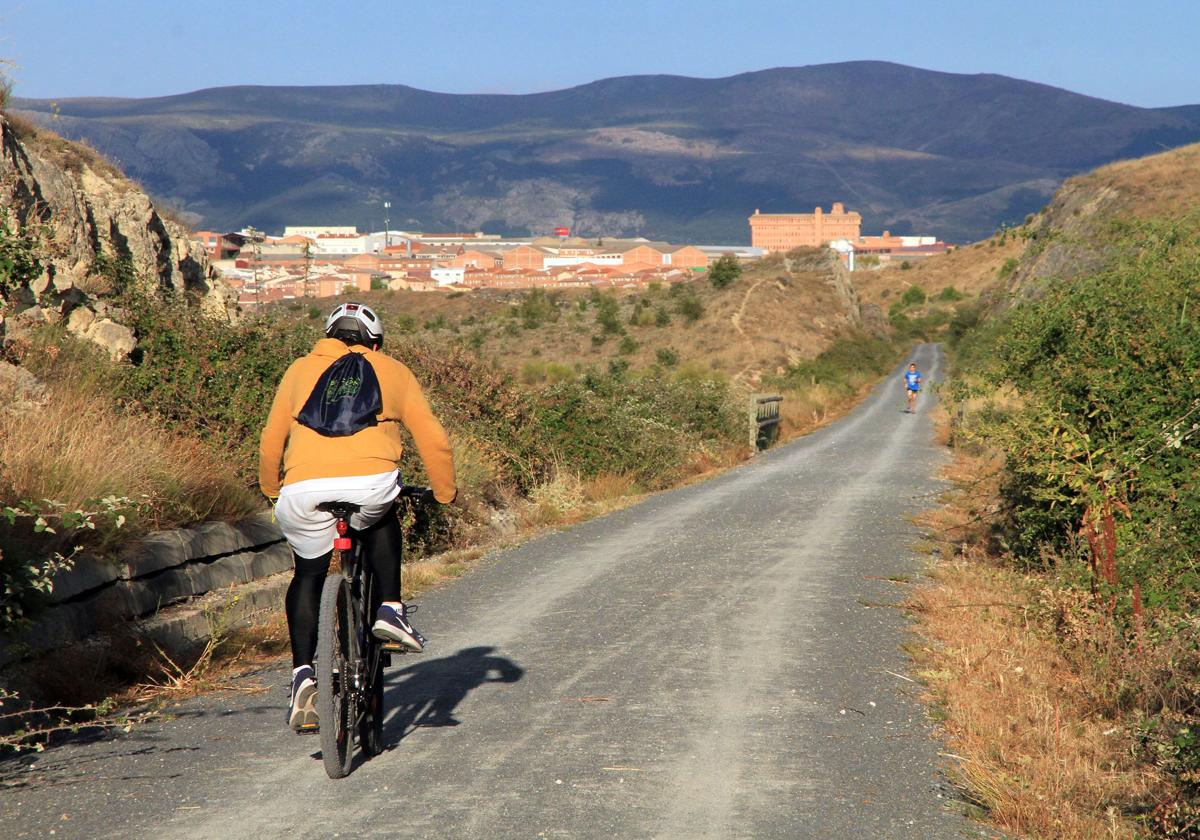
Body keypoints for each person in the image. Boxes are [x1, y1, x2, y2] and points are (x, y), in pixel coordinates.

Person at [259, 302, 457, 732]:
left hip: (303, 490)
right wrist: (445, 492)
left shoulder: (298, 370)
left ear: (328, 335)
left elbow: (271, 438)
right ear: (376, 342)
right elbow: (434, 439)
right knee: (382, 518)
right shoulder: (391, 369)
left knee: (308, 575)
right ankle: (389, 608)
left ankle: (301, 678)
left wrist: (273, 489)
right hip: (369, 483)